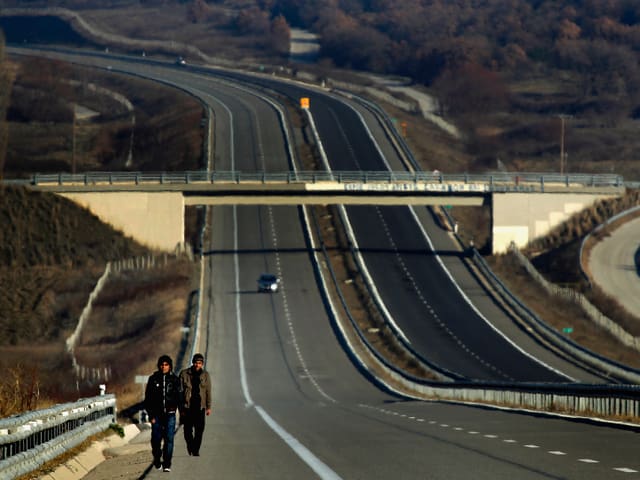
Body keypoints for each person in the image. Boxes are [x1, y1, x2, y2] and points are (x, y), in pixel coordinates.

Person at [145, 354, 182, 472]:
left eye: (166, 365)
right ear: (159, 366)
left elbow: (179, 398)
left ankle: (167, 463)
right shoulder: (153, 379)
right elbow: (148, 399)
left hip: (170, 414)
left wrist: (182, 414)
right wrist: (151, 415)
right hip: (156, 415)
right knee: (155, 439)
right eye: (162, 364)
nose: (164, 367)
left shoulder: (175, 380)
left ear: (170, 366)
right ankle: (157, 458)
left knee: (169, 439)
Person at [179, 353, 212, 456]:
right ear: (193, 363)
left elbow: (208, 391)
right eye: (196, 363)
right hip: (187, 407)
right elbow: (180, 391)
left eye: (200, 363)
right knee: (187, 431)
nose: (198, 365)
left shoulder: (205, 375)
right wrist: (181, 408)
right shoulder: (184, 374)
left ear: (202, 364)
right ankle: (190, 445)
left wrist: (208, 407)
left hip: (200, 407)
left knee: (199, 430)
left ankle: (196, 450)